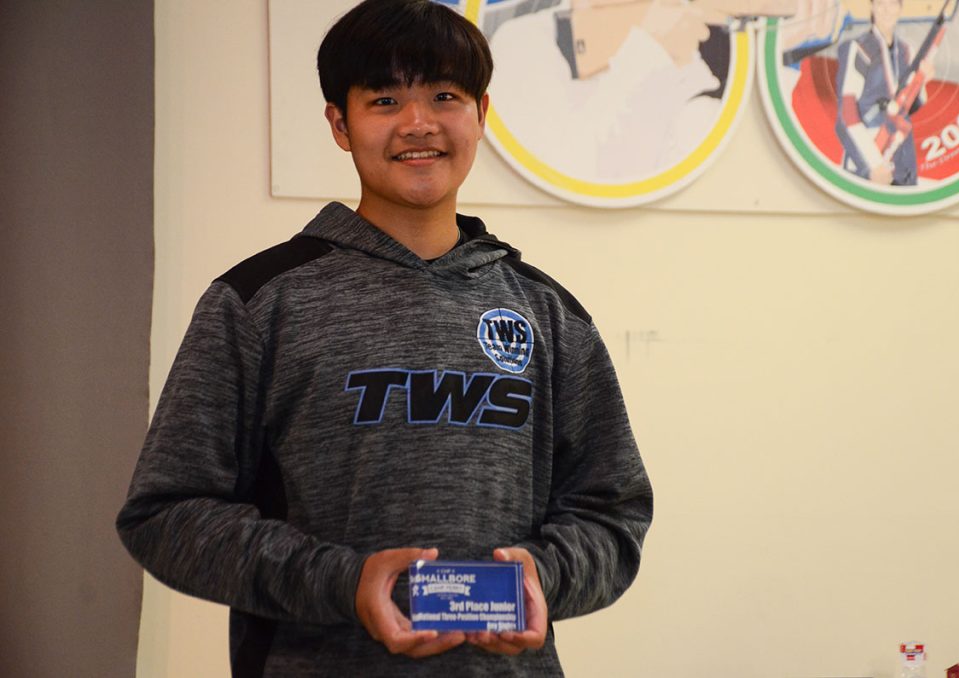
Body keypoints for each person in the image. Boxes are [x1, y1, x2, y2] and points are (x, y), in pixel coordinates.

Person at [116, 0, 653, 676]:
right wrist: (344, 582)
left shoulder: (549, 313)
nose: (418, 123)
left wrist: (544, 577)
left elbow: (614, 511)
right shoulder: (259, 302)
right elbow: (165, 515)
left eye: (444, 95)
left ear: (482, 114)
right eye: (385, 99)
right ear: (340, 123)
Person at [834, 0, 933, 185]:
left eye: (893, 3)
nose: (887, 10)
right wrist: (872, 165)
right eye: (880, 3)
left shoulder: (906, 51)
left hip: (902, 160)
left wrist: (922, 82)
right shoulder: (859, 49)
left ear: (900, 8)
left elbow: (909, 108)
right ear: (872, 7)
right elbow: (847, 114)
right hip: (869, 157)